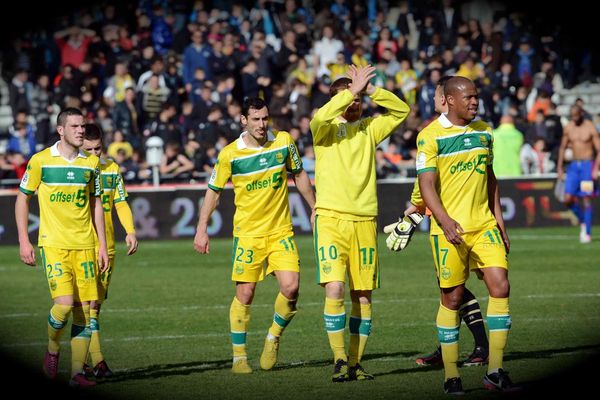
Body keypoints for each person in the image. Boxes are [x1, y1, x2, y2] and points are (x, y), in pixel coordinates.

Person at [193, 97, 316, 374]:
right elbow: (213, 191)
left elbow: (299, 175)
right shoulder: (230, 154)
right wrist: (202, 228)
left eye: (265, 118)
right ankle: (239, 357)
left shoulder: (283, 141)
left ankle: (273, 337)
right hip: (247, 235)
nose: (262, 124)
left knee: (292, 287)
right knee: (245, 293)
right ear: (243, 121)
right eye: (256, 119)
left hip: (280, 230)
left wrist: (314, 206)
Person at [415, 76, 518, 394]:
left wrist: (499, 220)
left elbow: (490, 177)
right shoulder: (429, 136)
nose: (474, 102)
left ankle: (495, 370)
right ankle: (451, 374)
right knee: (453, 297)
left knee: (500, 286)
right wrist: (444, 221)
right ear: (449, 100)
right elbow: (426, 185)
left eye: (476, 97)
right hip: (449, 231)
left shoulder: (485, 131)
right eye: (469, 98)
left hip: (484, 225)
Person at [310, 64, 410, 382]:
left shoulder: (369, 129)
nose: (354, 104)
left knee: (363, 296)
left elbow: (402, 111)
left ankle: (355, 362)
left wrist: (370, 91)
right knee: (335, 288)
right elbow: (319, 117)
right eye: (348, 100)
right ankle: (339, 359)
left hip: (365, 221)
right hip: (330, 218)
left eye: (357, 101)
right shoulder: (323, 131)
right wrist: (349, 92)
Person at [391, 75, 490, 368]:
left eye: (437, 98)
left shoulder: (448, 133)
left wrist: (420, 211)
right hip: (440, 217)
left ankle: (478, 347)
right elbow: (423, 185)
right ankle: (453, 348)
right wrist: (413, 213)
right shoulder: (433, 136)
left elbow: (436, 186)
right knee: (450, 288)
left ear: (446, 99)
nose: (436, 103)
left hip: (459, 222)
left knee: (455, 288)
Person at [15, 108, 109, 388]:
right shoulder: (41, 161)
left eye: (82, 126)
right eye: (75, 127)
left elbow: (96, 205)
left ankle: (77, 373)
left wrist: (102, 244)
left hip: (85, 246)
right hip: (54, 245)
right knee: (65, 306)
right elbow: (22, 199)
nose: (81, 130)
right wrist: (23, 239)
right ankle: (53, 349)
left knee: (83, 310)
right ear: (61, 130)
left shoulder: (91, 163)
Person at [80, 123, 139, 378]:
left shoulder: (111, 169)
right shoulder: (76, 170)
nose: (95, 154)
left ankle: (84, 358)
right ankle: (97, 360)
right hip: (83, 245)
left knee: (96, 307)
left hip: (108, 247)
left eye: (98, 148)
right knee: (86, 304)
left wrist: (131, 230)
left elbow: (121, 203)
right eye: (89, 149)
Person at [556, 104, 600, 244]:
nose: (574, 119)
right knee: (567, 198)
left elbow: (599, 149)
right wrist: (560, 167)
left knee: (586, 198)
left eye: (576, 116)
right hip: (574, 166)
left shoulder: (590, 127)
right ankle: (582, 220)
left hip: (587, 166)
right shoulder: (569, 127)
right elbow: (563, 147)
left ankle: (587, 232)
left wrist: (595, 168)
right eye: (572, 117)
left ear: (581, 113)